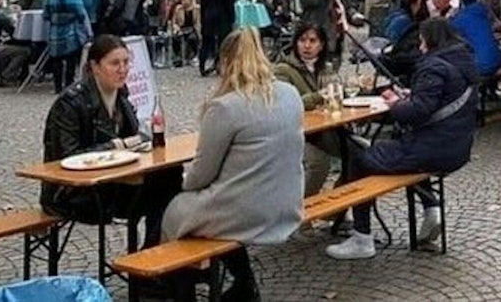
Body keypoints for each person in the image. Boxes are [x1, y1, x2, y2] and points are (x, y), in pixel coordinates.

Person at [162, 28, 304, 301]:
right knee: (212, 215)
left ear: (226, 61)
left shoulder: (226, 107)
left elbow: (201, 175)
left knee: (174, 211)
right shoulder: (289, 94)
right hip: (286, 202)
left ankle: (181, 290)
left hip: (247, 210)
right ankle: (242, 281)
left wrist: (182, 182)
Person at [326, 19, 478, 260]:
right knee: (398, 145)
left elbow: (417, 112)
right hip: (457, 147)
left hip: (433, 151)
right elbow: (437, 102)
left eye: (421, 41)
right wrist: (411, 96)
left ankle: (361, 237)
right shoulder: (462, 62)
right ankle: (431, 207)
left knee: (359, 157)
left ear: (431, 40)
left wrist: (395, 104)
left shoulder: (434, 66)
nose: (420, 46)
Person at [41, 35, 182, 247]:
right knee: (163, 189)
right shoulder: (70, 103)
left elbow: (135, 136)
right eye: (115, 63)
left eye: (126, 62)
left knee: (170, 176)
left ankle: (153, 257)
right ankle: (149, 261)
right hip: (73, 194)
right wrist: (119, 145)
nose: (123, 69)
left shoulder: (121, 95)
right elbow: (67, 159)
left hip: (111, 182)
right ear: (95, 66)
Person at [273, 23, 340, 197]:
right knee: (319, 162)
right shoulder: (283, 70)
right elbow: (286, 105)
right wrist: (319, 96)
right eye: (302, 40)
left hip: (323, 130)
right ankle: (301, 211)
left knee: (359, 155)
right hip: (294, 133)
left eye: (312, 40)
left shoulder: (326, 68)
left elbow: (336, 95)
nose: (307, 45)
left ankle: (335, 211)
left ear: (322, 44)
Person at [43, 0, 93, 94]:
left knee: (56, 61)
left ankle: (57, 87)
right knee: (71, 60)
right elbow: (81, 14)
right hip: (71, 31)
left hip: (55, 32)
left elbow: (46, 15)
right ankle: (69, 85)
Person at [450, 0, 501, 80]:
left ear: (461, 3)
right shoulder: (483, 12)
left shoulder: (459, 19)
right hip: (496, 60)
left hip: (479, 65)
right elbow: (497, 25)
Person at [199, 0, 236, 76]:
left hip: (208, 15)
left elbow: (203, 2)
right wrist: (232, 17)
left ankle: (202, 65)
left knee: (206, 42)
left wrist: (202, 17)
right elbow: (229, 4)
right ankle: (218, 64)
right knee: (223, 43)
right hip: (222, 16)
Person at [171, 0, 200, 65]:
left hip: (192, 28)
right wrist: (176, 28)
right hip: (181, 28)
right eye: (182, 0)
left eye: (184, 0)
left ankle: (192, 56)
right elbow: (174, 22)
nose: (182, 1)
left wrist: (198, 31)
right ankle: (178, 57)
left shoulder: (196, 9)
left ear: (190, 0)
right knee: (175, 38)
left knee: (192, 38)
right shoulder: (178, 8)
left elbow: (198, 22)